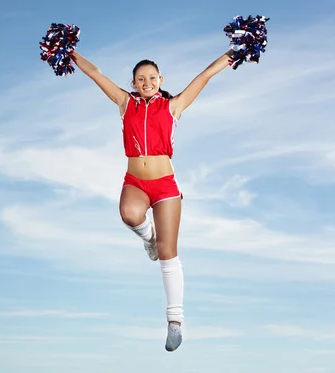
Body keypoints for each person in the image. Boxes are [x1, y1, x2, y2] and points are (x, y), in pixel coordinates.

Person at [69, 48, 234, 351]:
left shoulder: (173, 106)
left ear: (161, 80)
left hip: (165, 185)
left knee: (169, 253)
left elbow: (205, 76)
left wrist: (232, 53)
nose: (147, 82)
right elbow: (95, 74)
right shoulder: (125, 103)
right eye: (141, 78)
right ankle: (148, 238)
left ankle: (175, 321)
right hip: (136, 180)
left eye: (152, 77)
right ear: (133, 82)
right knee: (130, 215)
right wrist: (71, 53)